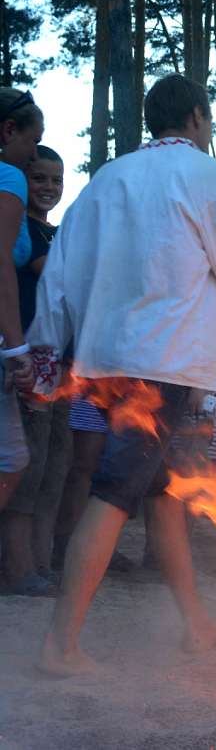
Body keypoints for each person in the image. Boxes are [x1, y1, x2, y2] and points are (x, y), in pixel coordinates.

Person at [28, 74, 216, 675]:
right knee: (116, 491)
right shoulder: (210, 177)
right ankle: (59, 644)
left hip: (107, 356)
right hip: (160, 360)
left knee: (164, 491)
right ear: (197, 116)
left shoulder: (107, 180)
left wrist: (45, 347)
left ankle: (195, 624)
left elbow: (61, 272)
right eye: (210, 118)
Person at [5, 145, 70, 595]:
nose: (48, 187)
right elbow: (59, 279)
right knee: (29, 468)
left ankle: (42, 562)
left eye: (55, 179)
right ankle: (18, 567)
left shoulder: (54, 234)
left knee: (54, 469)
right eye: (38, 178)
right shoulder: (23, 233)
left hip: (62, 364)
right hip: (31, 363)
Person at [0, 87, 40, 512]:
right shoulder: (8, 177)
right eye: (32, 139)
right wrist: (15, 348)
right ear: (9, 130)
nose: (35, 152)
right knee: (12, 458)